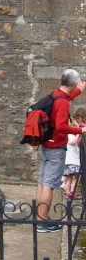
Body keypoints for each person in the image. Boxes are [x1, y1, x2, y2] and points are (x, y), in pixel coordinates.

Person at [35, 68, 85, 231]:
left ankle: (39, 217)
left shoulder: (56, 94)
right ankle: (42, 222)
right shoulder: (63, 103)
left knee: (42, 182)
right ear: (73, 83)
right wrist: (80, 130)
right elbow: (62, 126)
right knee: (50, 184)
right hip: (56, 147)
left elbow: (67, 96)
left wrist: (79, 90)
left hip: (46, 144)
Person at [62, 114, 86, 200]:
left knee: (69, 178)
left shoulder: (67, 136)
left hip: (70, 161)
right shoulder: (70, 135)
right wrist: (78, 134)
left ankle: (68, 192)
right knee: (76, 177)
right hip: (73, 161)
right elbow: (73, 142)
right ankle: (72, 191)